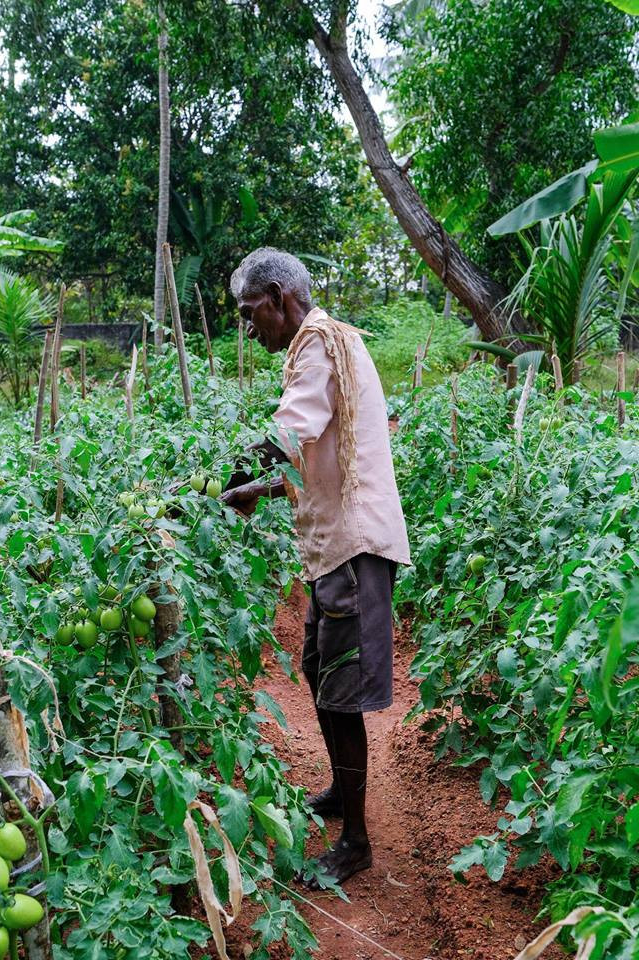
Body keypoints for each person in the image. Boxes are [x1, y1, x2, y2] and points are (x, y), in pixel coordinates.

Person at [221, 247, 410, 885]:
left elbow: (292, 431)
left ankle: (356, 841)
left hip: (352, 551)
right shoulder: (334, 340)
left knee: (341, 692)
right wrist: (259, 490)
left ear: (278, 296)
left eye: (252, 313)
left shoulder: (315, 343)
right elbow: (317, 451)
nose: (250, 327)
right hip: (338, 548)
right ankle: (340, 793)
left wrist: (229, 478)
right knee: (318, 671)